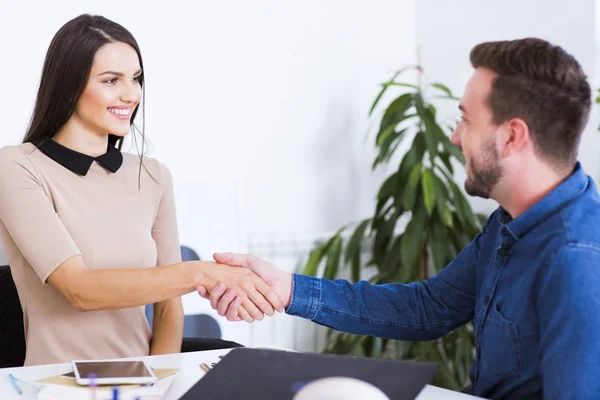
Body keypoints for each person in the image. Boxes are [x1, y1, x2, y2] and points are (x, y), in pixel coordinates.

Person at [198, 38, 600, 399]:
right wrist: (288, 289)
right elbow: (427, 308)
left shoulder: (577, 259)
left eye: (466, 119)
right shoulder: (510, 222)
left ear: (513, 136)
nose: (455, 137)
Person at [0, 14, 283, 367]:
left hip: (141, 379)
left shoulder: (152, 176)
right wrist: (201, 272)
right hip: (57, 383)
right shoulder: (17, 167)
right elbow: (79, 289)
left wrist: (157, 380)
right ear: (69, 85)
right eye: (111, 80)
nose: (131, 94)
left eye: (136, 79)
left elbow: (168, 308)